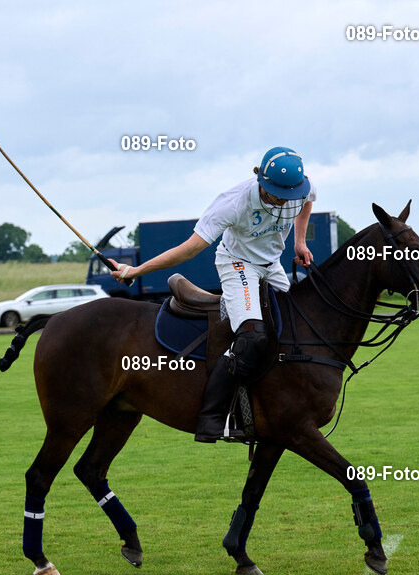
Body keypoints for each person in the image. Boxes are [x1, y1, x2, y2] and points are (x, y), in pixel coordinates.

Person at [111, 146, 316, 443]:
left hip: (272, 265)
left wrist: (299, 241)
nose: (284, 202)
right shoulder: (232, 203)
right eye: (276, 196)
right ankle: (214, 417)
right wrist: (136, 270)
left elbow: (308, 201)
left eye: (289, 196)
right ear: (261, 181)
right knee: (252, 336)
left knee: (294, 328)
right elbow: (189, 249)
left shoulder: (298, 188)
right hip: (238, 263)